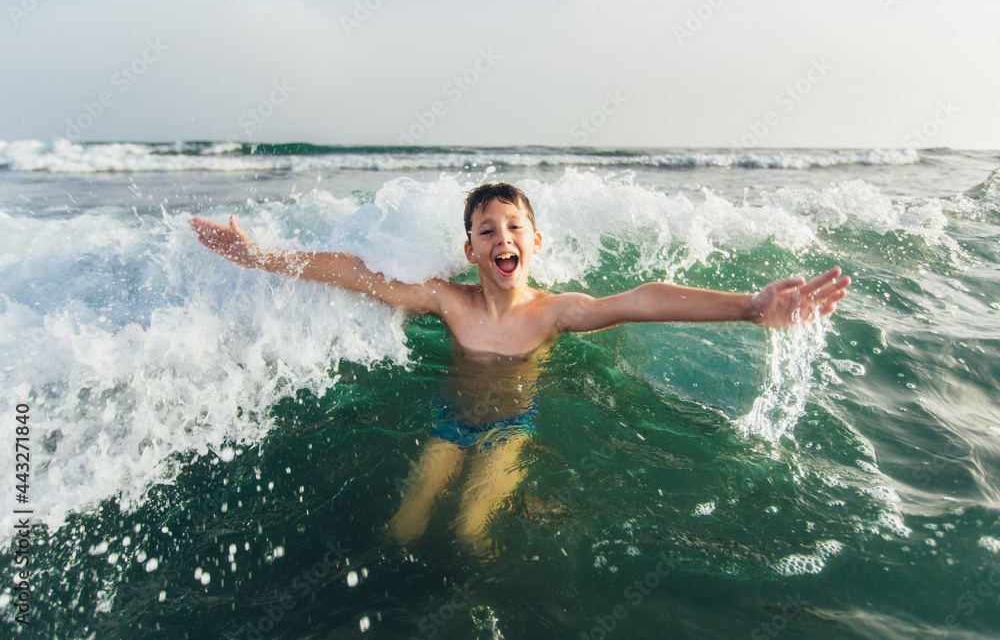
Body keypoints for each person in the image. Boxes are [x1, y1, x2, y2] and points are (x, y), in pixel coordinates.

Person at [190, 182, 849, 550]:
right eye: (486, 228)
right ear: (470, 249)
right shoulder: (448, 301)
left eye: (513, 226)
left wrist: (749, 306)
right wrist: (263, 256)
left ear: (534, 242)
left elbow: (642, 300)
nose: (500, 236)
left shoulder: (556, 312)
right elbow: (362, 277)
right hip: (448, 417)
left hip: (512, 423)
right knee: (405, 526)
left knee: (471, 531)